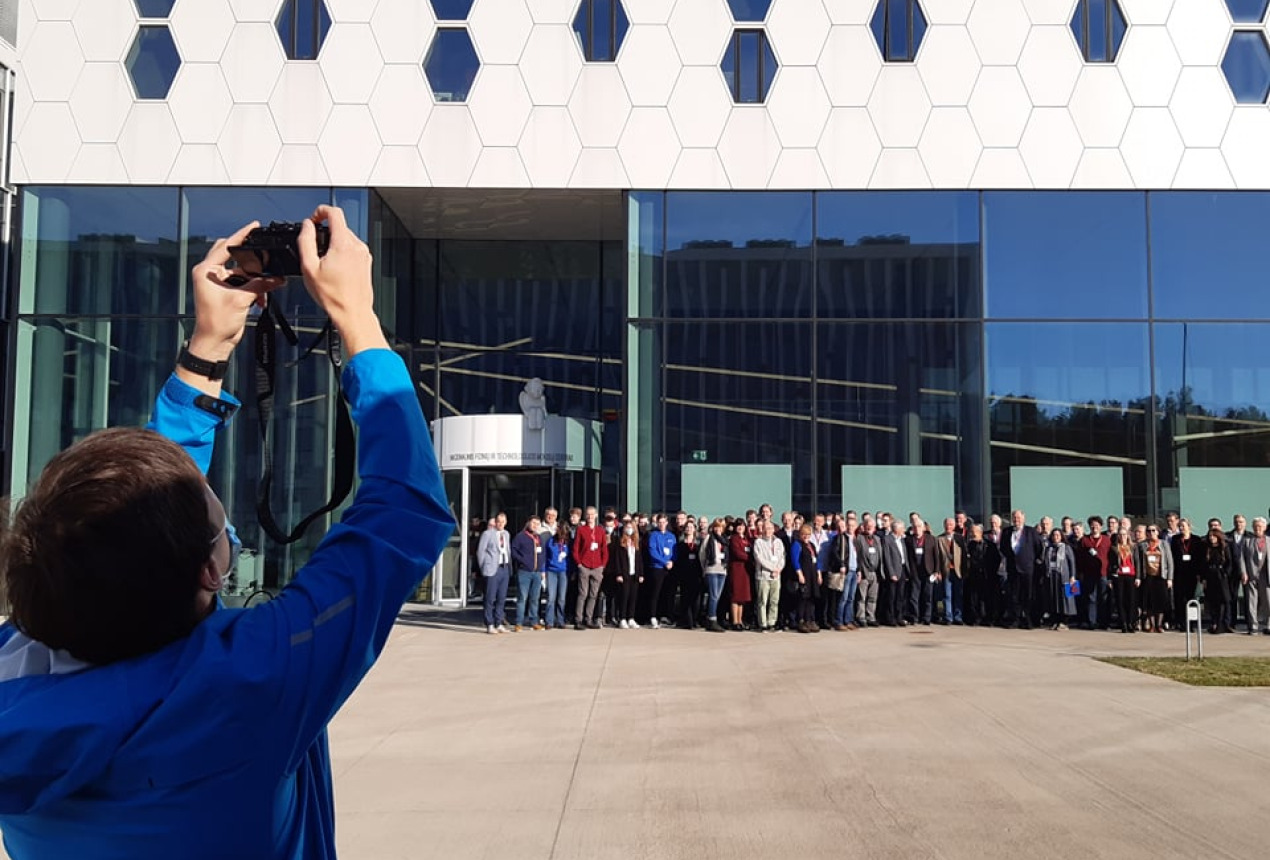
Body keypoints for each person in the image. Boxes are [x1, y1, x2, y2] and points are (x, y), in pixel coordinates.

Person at [0, 207, 454, 858]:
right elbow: (405, 513)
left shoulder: (21, 664)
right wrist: (357, 315)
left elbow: (131, 524)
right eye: (219, 521)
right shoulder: (247, 682)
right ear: (211, 573)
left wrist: (209, 347)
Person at [1002, 509, 1042, 629]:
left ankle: (1028, 620)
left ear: (1023, 518)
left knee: (1028, 595)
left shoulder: (1031, 531)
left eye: (1018, 518)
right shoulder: (1006, 532)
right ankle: (1015, 619)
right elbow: (1003, 548)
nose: (1016, 520)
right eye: (1014, 518)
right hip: (1013, 569)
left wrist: (1030, 560)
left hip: (1027, 569)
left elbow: (1038, 548)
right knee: (1014, 596)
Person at [573, 506, 608, 630]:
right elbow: (576, 548)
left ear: (596, 515)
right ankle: (578, 620)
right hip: (584, 566)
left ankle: (589, 618)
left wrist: (603, 565)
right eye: (588, 514)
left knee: (593, 594)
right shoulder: (581, 530)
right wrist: (579, 564)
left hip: (597, 566)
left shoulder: (600, 531)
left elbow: (604, 549)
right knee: (582, 593)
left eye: (592, 514)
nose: (590, 517)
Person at [1136, 524, 1173, 633]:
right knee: (1149, 602)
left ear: (1158, 532)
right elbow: (1138, 562)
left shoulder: (1164, 544)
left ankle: (1159, 625)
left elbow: (1170, 562)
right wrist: (1138, 577)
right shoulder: (1142, 545)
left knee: (1161, 601)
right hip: (1147, 576)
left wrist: (1169, 578)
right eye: (1148, 531)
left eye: (1153, 530)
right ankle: (1152, 625)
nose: (1151, 533)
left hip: (1160, 576)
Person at [478, 512, 511, 634]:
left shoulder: (506, 534)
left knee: (501, 597)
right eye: (499, 522)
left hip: (504, 567)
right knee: (490, 597)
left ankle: (499, 622)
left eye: (503, 522)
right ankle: (489, 623)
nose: (501, 524)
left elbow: (507, 550)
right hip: (492, 568)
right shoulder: (488, 534)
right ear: (495, 522)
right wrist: (484, 567)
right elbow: (481, 551)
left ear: (506, 522)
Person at [511, 515, 545, 631]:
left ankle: (534, 621)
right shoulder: (520, 537)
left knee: (535, 598)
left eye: (537, 524)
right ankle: (519, 623)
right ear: (528, 523)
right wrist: (523, 561)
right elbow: (514, 551)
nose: (535, 525)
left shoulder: (539, 538)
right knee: (522, 598)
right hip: (524, 572)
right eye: (533, 523)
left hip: (537, 573)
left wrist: (541, 566)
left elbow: (543, 553)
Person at [1076, 516, 1111, 630]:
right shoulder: (1084, 540)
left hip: (1103, 573)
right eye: (1092, 525)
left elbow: (1111, 556)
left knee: (1103, 598)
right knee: (1091, 598)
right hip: (1089, 574)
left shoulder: (1106, 539)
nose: (1094, 527)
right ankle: (1092, 622)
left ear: (1101, 526)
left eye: (1096, 525)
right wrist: (1080, 572)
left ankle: (1104, 622)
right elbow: (1080, 558)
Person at [752, 519, 785, 632]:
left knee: (774, 600)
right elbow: (759, 558)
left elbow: (782, 558)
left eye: (770, 528)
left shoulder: (778, 542)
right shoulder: (758, 542)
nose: (768, 531)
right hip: (763, 576)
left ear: (773, 529)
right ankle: (763, 623)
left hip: (776, 575)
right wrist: (772, 568)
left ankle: (772, 622)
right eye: (765, 528)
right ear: (762, 530)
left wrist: (778, 569)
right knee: (762, 601)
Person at [1170, 518, 1203, 631]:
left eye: (1183, 526)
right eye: (1179, 526)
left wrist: (1199, 573)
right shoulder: (1175, 539)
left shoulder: (1196, 540)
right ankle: (1181, 623)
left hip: (1192, 573)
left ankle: (1191, 623)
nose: (1181, 528)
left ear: (1189, 526)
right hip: (1179, 573)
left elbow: (1200, 558)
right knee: (1179, 598)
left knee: (1191, 598)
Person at [1041, 528, 1077, 630]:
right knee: (1053, 598)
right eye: (1054, 535)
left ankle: (1064, 621)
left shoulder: (1067, 548)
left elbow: (1072, 562)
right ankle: (1054, 621)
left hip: (1065, 577)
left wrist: (1073, 576)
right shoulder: (1049, 548)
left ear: (1061, 536)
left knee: (1066, 599)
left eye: (1058, 535)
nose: (1055, 537)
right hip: (1051, 576)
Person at [645, 514, 676, 628]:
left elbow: (674, 551)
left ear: (667, 523)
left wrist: (672, 561)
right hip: (657, 567)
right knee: (655, 593)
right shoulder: (653, 535)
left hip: (669, 568)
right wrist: (664, 562)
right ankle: (653, 616)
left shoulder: (671, 536)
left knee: (666, 593)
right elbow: (652, 551)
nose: (662, 524)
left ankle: (664, 616)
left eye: (663, 522)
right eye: (660, 522)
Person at [905, 518, 938, 625]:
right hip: (915, 572)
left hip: (928, 571)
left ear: (923, 528)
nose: (917, 529)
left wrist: (936, 570)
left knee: (927, 596)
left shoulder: (931, 539)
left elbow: (936, 556)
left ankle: (927, 618)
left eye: (919, 526)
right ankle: (915, 617)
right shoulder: (908, 540)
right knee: (914, 597)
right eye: (915, 527)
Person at [1202, 527, 1233, 634]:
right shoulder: (1207, 548)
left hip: (1221, 576)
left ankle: (1222, 624)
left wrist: (1225, 573)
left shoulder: (1224, 547)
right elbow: (1203, 564)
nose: (1211, 538)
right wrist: (1203, 578)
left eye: (1213, 536)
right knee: (1212, 601)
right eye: (1210, 536)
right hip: (1210, 576)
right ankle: (1214, 623)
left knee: (1223, 601)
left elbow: (1229, 562)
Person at [613, 522, 643, 629]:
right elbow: (617, 559)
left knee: (633, 597)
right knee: (624, 597)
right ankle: (622, 618)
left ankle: (631, 618)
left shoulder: (637, 542)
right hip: (624, 574)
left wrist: (641, 574)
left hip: (634, 574)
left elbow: (640, 560)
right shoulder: (620, 542)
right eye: (627, 527)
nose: (629, 529)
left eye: (631, 528)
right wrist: (618, 573)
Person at [701, 518, 729, 632]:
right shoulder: (709, 538)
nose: (718, 529)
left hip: (722, 570)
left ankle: (711, 617)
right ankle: (712, 619)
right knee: (713, 595)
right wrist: (705, 567)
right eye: (716, 526)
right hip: (712, 569)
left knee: (717, 596)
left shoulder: (724, 540)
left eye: (720, 527)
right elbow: (702, 554)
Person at [934, 517, 964, 625]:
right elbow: (937, 557)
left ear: (954, 526)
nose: (948, 527)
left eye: (951, 525)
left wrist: (964, 570)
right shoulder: (939, 539)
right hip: (945, 570)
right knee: (947, 595)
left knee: (958, 594)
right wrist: (937, 571)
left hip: (958, 571)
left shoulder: (959, 538)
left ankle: (958, 617)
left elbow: (964, 555)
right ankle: (948, 617)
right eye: (947, 524)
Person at [1110, 524, 1139, 633]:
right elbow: (1110, 563)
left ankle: (1131, 622)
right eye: (1120, 535)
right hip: (1119, 576)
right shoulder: (1114, 548)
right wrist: (1111, 576)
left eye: (1124, 534)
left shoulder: (1133, 547)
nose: (1122, 537)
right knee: (1120, 600)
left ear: (1128, 536)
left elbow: (1137, 562)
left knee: (1131, 600)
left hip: (1131, 575)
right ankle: (1123, 623)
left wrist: (1138, 577)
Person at [794, 525, 822, 633]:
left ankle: (810, 619)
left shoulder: (812, 545)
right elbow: (795, 560)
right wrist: (799, 574)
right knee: (803, 598)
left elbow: (816, 560)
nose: (806, 536)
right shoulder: (797, 545)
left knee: (811, 598)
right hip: (804, 574)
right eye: (804, 534)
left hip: (813, 575)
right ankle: (801, 621)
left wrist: (819, 574)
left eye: (808, 534)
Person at [675, 521, 703, 629]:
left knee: (696, 599)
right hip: (684, 574)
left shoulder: (699, 543)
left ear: (694, 529)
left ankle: (694, 620)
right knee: (685, 598)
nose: (689, 529)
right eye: (687, 527)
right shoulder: (680, 543)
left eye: (691, 527)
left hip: (696, 574)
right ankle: (687, 621)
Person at [544, 521, 571, 630]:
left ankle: (560, 620)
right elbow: (545, 556)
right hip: (551, 571)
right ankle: (549, 621)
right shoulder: (551, 541)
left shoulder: (568, 543)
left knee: (561, 598)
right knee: (551, 597)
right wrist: (543, 571)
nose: (562, 534)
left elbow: (570, 558)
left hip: (563, 572)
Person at [881, 520, 908, 626]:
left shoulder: (902, 540)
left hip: (902, 570)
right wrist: (891, 573)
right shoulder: (887, 539)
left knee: (900, 596)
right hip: (893, 571)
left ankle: (899, 617)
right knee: (891, 596)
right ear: (897, 529)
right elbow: (887, 557)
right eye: (902, 528)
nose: (904, 530)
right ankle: (890, 618)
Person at [727, 521, 752, 631]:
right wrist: (750, 558)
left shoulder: (746, 539)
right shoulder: (734, 539)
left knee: (742, 597)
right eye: (738, 526)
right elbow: (737, 553)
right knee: (735, 596)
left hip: (745, 570)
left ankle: (740, 620)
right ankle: (735, 621)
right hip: (736, 569)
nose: (740, 528)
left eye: (742, 525)